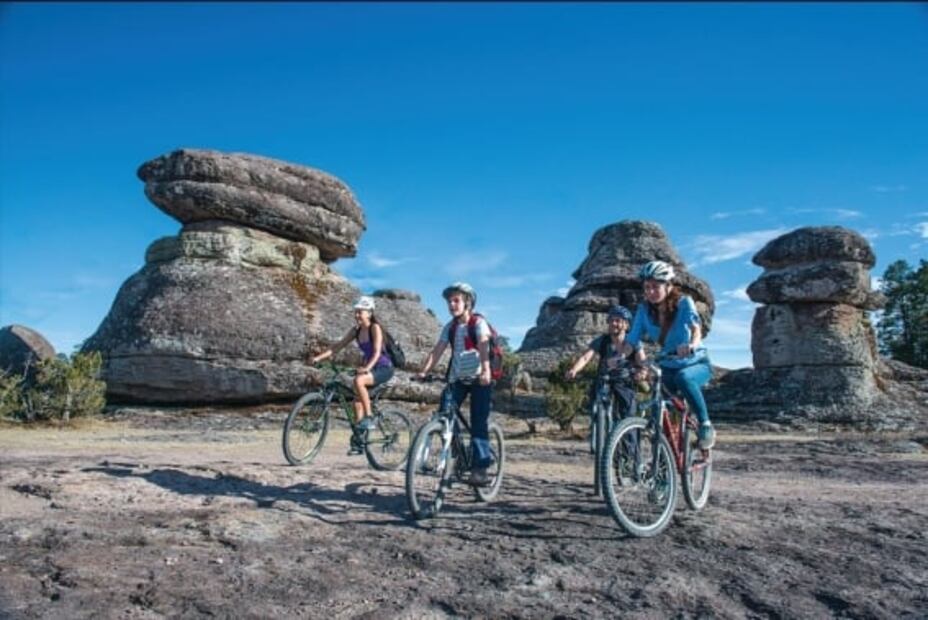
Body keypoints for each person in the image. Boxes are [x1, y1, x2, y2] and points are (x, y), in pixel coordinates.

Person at [626, 260, 715, 449]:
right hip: (668, 364)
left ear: (668, 286)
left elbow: (696, 328)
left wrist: (691, 344)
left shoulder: (684, 303)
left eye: (655, 286)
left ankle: (705, 425)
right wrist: (619, 357)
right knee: (660, 405)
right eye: (647, 287)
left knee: (684, 378)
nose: (650, 291)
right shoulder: (643, 310)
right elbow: (632, 340)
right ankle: (668, 459)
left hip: (695, 362)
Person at [418, 282, 494, 486]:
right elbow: (437, 350)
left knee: (478, 421)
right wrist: (424, 371)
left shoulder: (478, 323)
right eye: (449, 301)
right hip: (457, 379)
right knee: (444, 413)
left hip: (480, 379)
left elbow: (484, 346)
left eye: (456, 300)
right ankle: (458, 454)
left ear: (467, 302)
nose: (452, 304)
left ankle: (481, 468)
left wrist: (486, 370)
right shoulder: (450, 327)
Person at [310, 295, 395, 453]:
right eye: (355, 312)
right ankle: (359, 441)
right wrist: (318, 358)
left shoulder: (374, 328)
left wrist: (367, 368)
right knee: (356, 403)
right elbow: (337, 347)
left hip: (384, 368)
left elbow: (377, 352)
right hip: (369, 369)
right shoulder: (355, 331)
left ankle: (369, 417)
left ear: (369, 313)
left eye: (360, 312)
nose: (357, 315)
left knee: (359, 381)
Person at [565, 304, 641, 419]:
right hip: (604, 380)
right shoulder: (603, 340)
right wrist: (574, 370)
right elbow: (586, 357)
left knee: (629, 414)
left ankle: (629, 434)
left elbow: (641, 358)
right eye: (611, 320)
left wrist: (642, 372)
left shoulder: (633, 341)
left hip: (624, 381)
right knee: (596, 410)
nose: (613, 323)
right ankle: (597, 432)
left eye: (618, 321)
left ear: (626, 325)